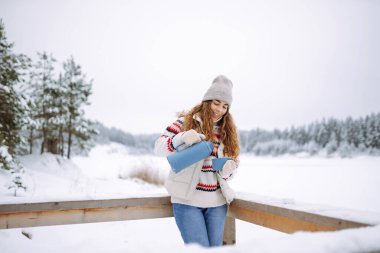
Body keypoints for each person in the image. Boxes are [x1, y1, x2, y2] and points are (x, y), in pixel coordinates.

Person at [154, 75, 240, 247]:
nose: (219, 110)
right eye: (216, 102)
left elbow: (230, 172)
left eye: (225, 106)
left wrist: (229, 169)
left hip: (217, 204)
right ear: (207, 101)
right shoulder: (186, 122)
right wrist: (182, 137)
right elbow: (159, 148)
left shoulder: (228, 132)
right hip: (187, 203)